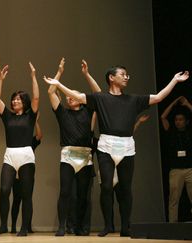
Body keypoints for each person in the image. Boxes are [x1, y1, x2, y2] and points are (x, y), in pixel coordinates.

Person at [45, 65, 189, 237]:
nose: (127, 77)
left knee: (126, 188)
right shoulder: (101, 98)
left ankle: (126, 226)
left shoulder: (134, 99)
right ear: (111, 78)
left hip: (127, 146)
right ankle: (107, 226)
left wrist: (174, 80)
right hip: (106, 146)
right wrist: (58, 84)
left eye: (127, 75)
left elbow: (158, 97)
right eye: (123, 74)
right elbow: (77, 95)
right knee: (106, 187)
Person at [47, 58, 100, 236]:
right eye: (68, 96)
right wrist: (59, 73)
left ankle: (80, 227)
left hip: (86, 157)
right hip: (68, 156)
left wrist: (86, 74)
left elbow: (99, 94)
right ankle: (62, 226)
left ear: (80, 99)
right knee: (65, 192)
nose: (69, 97)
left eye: (73, 95)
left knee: (84, 195)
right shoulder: (63, 113)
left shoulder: (89, 111)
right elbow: (51, 92)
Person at [0, 62, 39, 237]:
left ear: (24, 102)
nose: (15, 101)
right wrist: (1, 80)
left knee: (26, 194)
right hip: (10, 155)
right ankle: (3, 225)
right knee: (4, 190)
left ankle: (24, 227)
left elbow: (36, 98)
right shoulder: (7, 116)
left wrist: (33, 77)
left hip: (26, 155)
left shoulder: (30, 115)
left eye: (18, 99)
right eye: (14, 99)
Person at [160, 96, 192, 222]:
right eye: (176, 120)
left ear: (186, 121)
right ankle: (172, 226)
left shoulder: (190, 131)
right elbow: (163, 117)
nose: (178, 122)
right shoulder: (170, 131)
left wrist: (187, 104)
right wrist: (173, 103)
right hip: (175, 170)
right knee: (173, 200)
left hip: (190, 169)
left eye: (181, 120)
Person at [10, 113, 42, 234]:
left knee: (28, 199)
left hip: (28, 173)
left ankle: (27, 226)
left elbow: (39, 136)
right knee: (16, 200)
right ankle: (13, 226)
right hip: (16, 174)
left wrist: (35, 122)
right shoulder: (16, 141)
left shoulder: (30, 141)